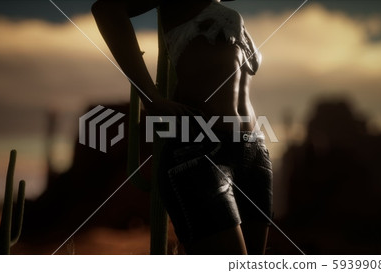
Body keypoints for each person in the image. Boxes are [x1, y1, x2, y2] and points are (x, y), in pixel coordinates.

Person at [92, 0, 272, 254]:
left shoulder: (218, 7)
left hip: (253, 154)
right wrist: (150, 98)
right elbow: (106, 9)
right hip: (201, 151)